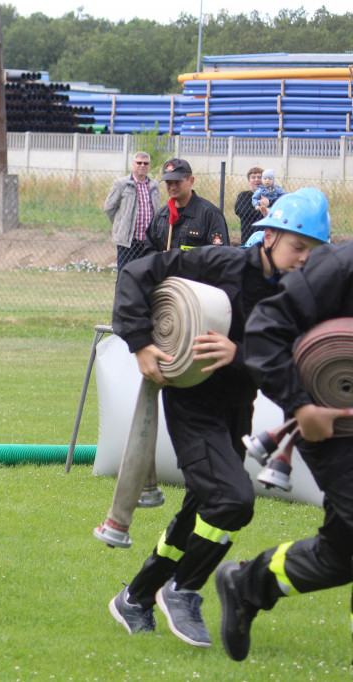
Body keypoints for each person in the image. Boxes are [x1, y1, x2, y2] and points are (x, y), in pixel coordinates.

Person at [108, 188, 330, 649]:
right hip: (192, 402)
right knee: (233, 501)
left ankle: (136, 596)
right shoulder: (221, 264)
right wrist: (140, 341)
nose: (303, 261)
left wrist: (236, 355)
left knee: (201, 507)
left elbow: (286, 368)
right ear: (268, 236)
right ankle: (184, 590)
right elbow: (136, 272)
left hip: (236, 407)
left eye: (313, 254)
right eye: (297, 247)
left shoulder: (301, 300)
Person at [214, 193, 353, 663]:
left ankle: (247, 584)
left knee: (342, 555)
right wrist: (302, 404)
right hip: (327, 424)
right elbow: (264, 332)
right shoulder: (336, 268)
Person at [136, 158, 230, 258]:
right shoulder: (161, 216)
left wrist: (186, 259)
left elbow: (220, 256)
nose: (173, 187)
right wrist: (161, 259)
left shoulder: (210, 214)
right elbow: (148, 250)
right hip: (167, 273)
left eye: (177, 182)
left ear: (191, 181)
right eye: (169, 183)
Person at [105, 151, 159, 274]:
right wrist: (121, 223)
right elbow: (109, 208)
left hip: (147, 241)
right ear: (133, 165)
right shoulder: (121, 184)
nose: (142, 166)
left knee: (145, 276)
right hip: (128, 241)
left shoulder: (154, 185)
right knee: (125, 274)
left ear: (149, 166)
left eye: (145, 163)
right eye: (139, 163)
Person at [234, 167, 263, 246]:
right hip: (247, 238)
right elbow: (241, 211)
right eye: (253, 177)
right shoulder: (244, 196)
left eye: (259, 177)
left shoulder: (269, 197)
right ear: (249, 180)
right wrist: (263, 211)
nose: (256, 180)